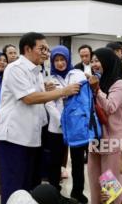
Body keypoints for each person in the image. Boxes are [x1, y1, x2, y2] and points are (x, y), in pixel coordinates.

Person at [0, 32, 80, 204]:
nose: (46, 53)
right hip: (14, 138)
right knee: (14, 188)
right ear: (27, 49)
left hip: (31, 137)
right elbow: (29, 98)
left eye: (47, 49)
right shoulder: (16, 68)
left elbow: (38, 96)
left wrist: (46, 89)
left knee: (28, 188)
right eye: (42, 48)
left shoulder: (37, 71)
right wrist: (63, 91)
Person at [88, 47, 122, 204]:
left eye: (97, 60)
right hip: (97, 137)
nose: (94, 64)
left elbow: (110, 107)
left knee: (111, 181)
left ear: (108, 62)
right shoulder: (97, 81)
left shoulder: (120, 84)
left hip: (116, 140)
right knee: (96, 179)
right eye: (92, 61)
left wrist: (97, 90)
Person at [45, 45, 88, 203]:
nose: (60, 63)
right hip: (56, 128)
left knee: (77, 162)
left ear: (68, 59)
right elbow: (49, 103)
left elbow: (83, 98)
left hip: (76, 126)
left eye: (62, 59)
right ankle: (54, 190)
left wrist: (73, 121)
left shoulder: (77, 74)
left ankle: (78, 192)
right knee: (54, 161)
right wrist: (62, 121)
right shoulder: (49, 79)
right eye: (56, 60)